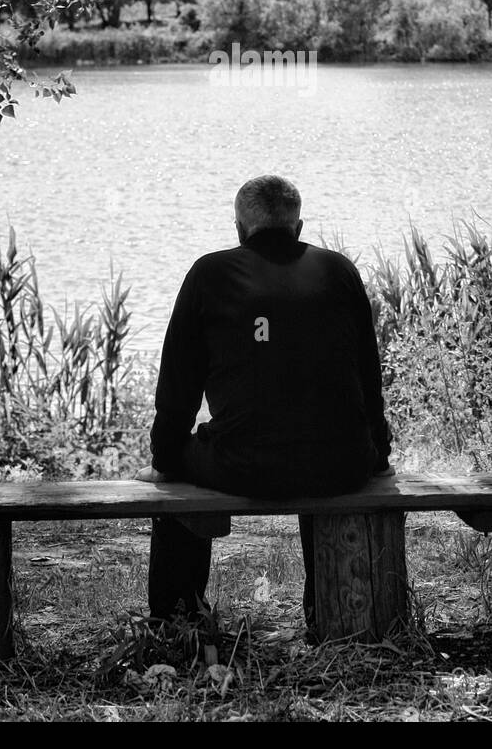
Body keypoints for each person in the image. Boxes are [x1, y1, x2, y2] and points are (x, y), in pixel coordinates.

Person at [136, 174, 392, 630]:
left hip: (243, 465)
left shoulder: (210, 273)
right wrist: (379, 455)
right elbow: (368, 378)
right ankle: (331, 619)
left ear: (239, 229)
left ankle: (178, 622)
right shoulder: (339, 271)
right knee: (320, 443)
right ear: (298, 226)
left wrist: (165, 460)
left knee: (179, 468)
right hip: (342, 463)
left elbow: (177, 386)